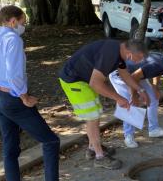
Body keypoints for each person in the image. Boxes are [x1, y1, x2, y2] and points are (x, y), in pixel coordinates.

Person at [0, 5, 78, 181]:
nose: (24, 25)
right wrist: (23, 96)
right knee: (50, 141)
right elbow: (14, 73)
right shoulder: (13, 40)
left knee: (10, 145)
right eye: (23, 21)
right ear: (12, 21)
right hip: (13, 98)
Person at [59, 39, 149, 169]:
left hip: (86, 80)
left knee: (95, 115)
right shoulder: (110, 54)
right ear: (129, 53)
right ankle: (99, 157)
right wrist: (119, 98)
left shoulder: (119, 51)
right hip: (74, 81)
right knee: (92, 118)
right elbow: (96, 84)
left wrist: (140, 90)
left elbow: (124, 74)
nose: (139, 62)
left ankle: (92, 149)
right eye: (138, 58)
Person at [109, 52, 163, 147]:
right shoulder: (156, 64)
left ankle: (154, 129)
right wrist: (134, 95)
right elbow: (133, 77)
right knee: (129, 103)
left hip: (136, 74)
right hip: (120, 74)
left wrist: (155, 86)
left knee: (153, 98)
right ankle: (128, 136)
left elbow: (158, 72)